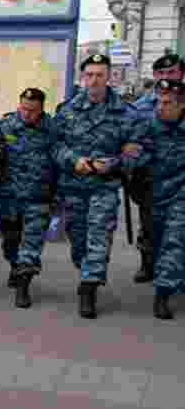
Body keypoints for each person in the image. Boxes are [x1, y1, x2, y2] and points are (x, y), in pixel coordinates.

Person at [51, 54, 146, 318]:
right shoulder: (67, 110)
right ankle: (87, 269)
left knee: (99, 238)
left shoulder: (127, 113)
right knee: (78, 241)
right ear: (82, 78)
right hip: (73, 187)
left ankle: (89, 287)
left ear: (109, 77)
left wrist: (114, 163)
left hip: (104, 186)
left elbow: (137, 151)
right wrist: (73, 160)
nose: (94, 80)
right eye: (89, 75)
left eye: (99, 75)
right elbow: (55, 146)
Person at [0, 88, 58, 308]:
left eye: (32, 110)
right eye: (23, 108)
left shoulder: (52, 129)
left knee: (32, 242)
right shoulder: (6, 125)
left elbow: (60, 157)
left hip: (39, 196)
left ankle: (24, 285)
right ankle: (15, 266)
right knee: (11, 240)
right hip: (9, 195)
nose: (26, 114)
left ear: (41, 110)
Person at [130, 51, 183, 283]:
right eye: (161, 72)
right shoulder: (141, 106)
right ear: (154, 75)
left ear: (181, 74)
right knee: (150, 225)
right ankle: (148, 264)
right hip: (149, 179)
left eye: (171, 72)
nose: (167, 76)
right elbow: (129, 137)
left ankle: (172, 272)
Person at [139, 79, 185, 319]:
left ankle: (163, 294)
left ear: (181, 105)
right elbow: (132, 152)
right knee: (157, 243)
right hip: (155, 195)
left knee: (174, 241)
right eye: (159, 101)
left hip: (181, 195)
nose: (160, 107)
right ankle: (169, 277)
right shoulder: (148, 125)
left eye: (167, 103)